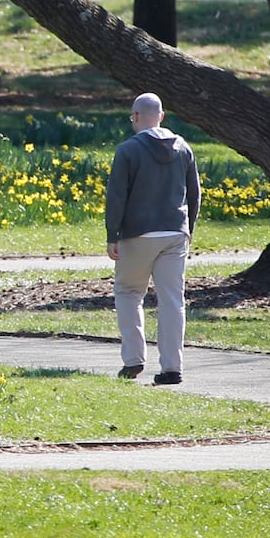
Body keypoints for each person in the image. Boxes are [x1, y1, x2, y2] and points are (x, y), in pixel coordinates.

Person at [104, 93, 200, 386]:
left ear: (135, 116)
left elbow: (117, 196)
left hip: (138, 233)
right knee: (172, 300)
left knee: (129, 292)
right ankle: (172, 368)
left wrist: (113, 235)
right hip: (175, 232)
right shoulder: (183, 147)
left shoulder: (128, 150)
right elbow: (194, 193)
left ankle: (133, 360)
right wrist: (189, 228)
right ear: (162, 116)